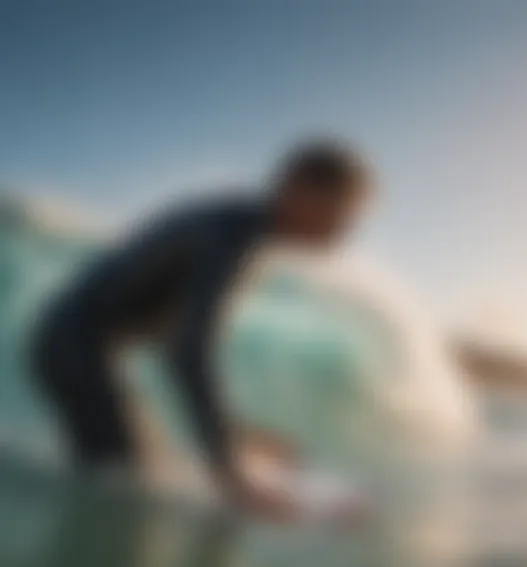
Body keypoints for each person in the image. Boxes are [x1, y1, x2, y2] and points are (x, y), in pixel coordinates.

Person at [30, 139, 371, 520]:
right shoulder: (230, 237)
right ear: (299, 191)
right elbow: (187, 352)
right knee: (130, 484)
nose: (345, 230)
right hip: (72, 347)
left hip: (80, 348)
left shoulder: (244, 229)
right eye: (344, 212)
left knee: (147, 470)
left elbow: (172, 344)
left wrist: (234, 432)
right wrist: (231, 474)